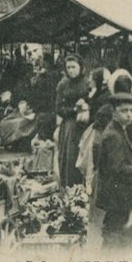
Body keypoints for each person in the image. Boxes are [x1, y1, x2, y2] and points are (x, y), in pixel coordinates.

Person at [95, 93, 132, 251]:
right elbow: (118, 169)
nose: (129, 114)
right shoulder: (113, 136)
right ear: (114, 112)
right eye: (124, 110)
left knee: (118, 231)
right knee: (117, 234)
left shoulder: (118, 130)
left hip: (117, 196)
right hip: (117, 196)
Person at [55, 54, 89, 187]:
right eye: (68, 67)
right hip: (69, 125)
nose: (71, 70)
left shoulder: (87, 83)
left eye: (74, 67)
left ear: (80, 67)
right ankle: (70, 188)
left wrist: (86, 105)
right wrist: (74, 109)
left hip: (85, 124)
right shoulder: (63, 84)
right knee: (69, 157)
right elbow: (58, 108)